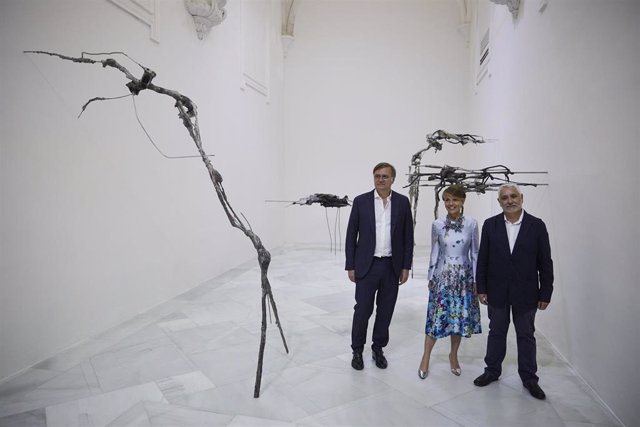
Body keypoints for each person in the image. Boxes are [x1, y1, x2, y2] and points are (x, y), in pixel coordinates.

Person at [473, 183, 554, 400]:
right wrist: (481, 287)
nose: (510, 200)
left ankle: (529, 378)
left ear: (521, 197)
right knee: (496, 332)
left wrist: (546, 292)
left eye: (513, 196)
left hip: (526, 292)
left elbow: (545, 262)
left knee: (526, 335)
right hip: (497, 291)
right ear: (499, 202)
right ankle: (491, 371)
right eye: (505, 198)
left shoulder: (536, 225)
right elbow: (483, 260)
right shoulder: (490, 225)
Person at [345, 162, 414, 370]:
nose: (380, 179)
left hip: (391, 267)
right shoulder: (361, 201)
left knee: (385, 311)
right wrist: (351, 265)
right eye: (377, 176)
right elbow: (351, 235)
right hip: (367, 265)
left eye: (385, 176)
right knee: (362, 310)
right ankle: (357, 350)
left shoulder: (402, 202)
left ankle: (378, 348)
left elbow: (407, 236)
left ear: (393, 179)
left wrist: (405, 267)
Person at [418, 184, 482, 379]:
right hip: (443, 277)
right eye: (446, 199)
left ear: (462, 201)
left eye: (454, 199)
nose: (450, 203)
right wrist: (431, 276)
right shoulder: (437, 224)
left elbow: (476, 252)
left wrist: (476, 279)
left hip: (463, 278)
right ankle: (425, 357)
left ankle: (453, 356)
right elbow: (435, 251)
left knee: (458, 319)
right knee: (437, 318)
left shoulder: (472, 224)